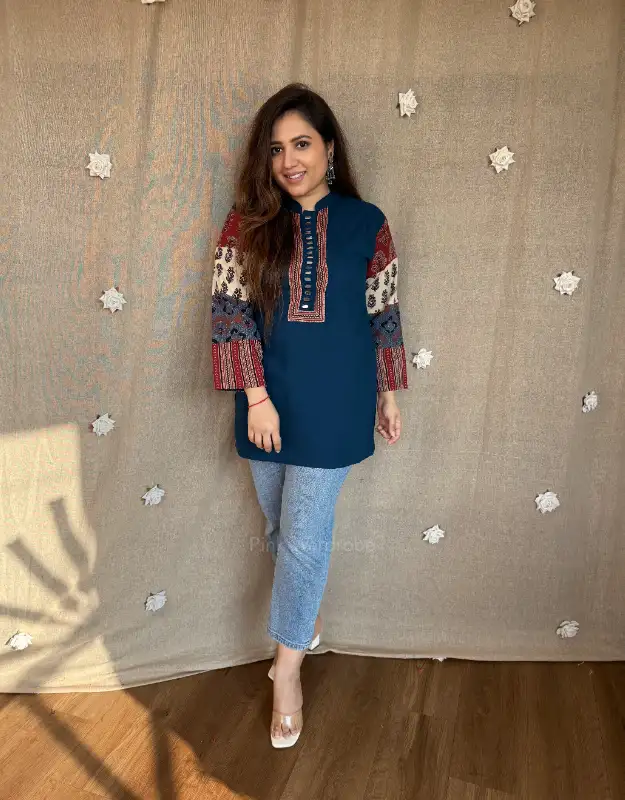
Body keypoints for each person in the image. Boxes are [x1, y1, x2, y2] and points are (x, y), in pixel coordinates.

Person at [211, 83, 409, 748]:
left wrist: (388, 394)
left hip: (339, 400)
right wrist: (256, 398)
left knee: (302, 540)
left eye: (301, 144)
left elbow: (383, 311)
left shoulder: (367, 223)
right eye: (276, 149)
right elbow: (230, 312)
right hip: (266, 402)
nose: (289, 160)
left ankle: (286, 674)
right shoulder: (246, 224)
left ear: (329, 148)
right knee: (279, 527)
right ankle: (306, 622)